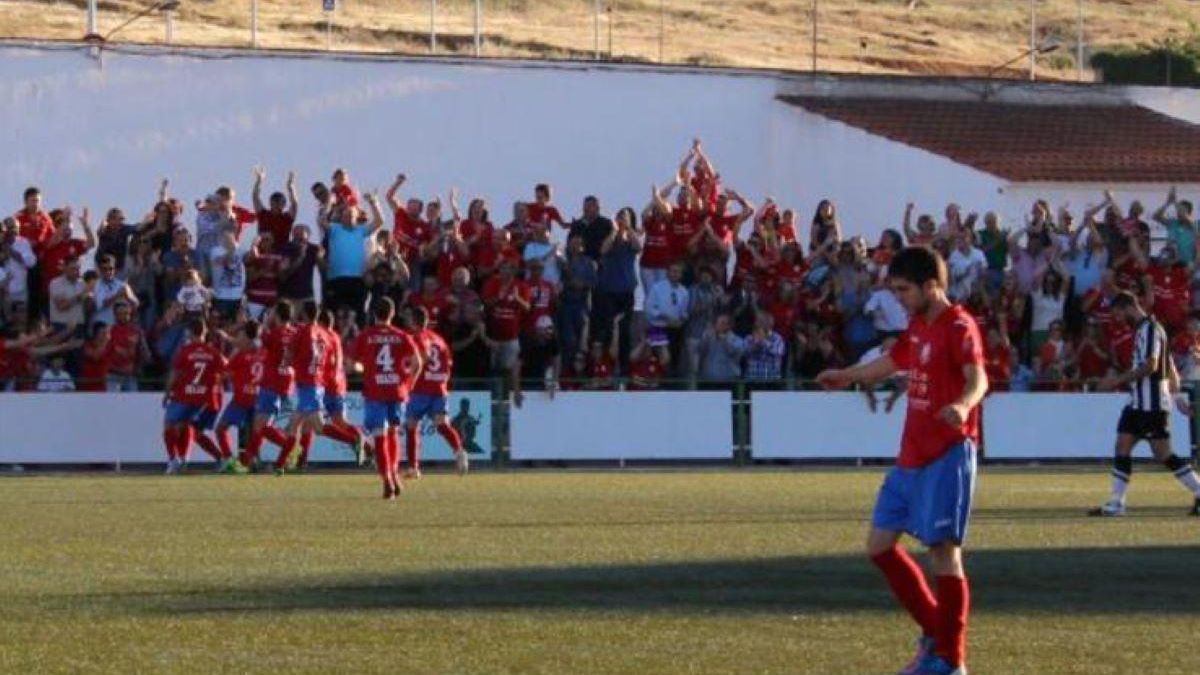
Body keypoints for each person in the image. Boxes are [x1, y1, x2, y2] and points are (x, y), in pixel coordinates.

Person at [817, 247, 987, 675]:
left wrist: (964, 406)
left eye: (904, 289)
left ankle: (951, 659)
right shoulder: (918, 325)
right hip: (910, 456)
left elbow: (978, 377)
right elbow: (893, 363)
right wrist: (847, 376)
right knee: (878, 547)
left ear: (932, 285)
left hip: (947, 454)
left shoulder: (959, 325)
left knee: (944, 554)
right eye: (895, 290)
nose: (899, 298)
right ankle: (937, 633)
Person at [1089, 291, 1200, 517]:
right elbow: (1170, 366)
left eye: (1118, 314)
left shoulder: (1149, 329)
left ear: (1128, 306)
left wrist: (1116, 381)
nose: (1118, 320)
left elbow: (1151, 365)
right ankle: (1116, 503)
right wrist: (1178, 398)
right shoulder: (1146, 329)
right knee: (1122, 445)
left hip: (1152, 404)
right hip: (1138, 403)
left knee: (1163, 454)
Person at [351, 298, 423, 500]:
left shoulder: (366, 336)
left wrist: (364, 369)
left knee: (379, 436)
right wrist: (409, 384)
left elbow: (352, 364)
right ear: (392, 314)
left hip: (375, 391)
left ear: (374, 314)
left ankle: (388, 480)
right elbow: (417, 363)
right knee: (393, 434)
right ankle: (394, 474)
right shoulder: (402, 336)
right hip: (397, 391)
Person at [234, 302, 300, 472]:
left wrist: (263, 323)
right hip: (287, 381)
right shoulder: (295, 333)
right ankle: (249, 461)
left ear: (276, 315)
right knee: (262, 425)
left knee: (260, 426)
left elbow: (257, 337)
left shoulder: (274, 334)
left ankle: (288, 447)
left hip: (272, 382)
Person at [404, 306, 469, 477]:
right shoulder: (439, 340)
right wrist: (442, 382)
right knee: (442, 425)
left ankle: (413, 468)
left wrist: (408, 380)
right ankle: (459, 451)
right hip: (439, 388)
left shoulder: (416, 337)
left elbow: (422, 359)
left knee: (411, 426)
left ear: (413, 321)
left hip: (420, 389)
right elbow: (448, 365)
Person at [161, 319, 225, 475]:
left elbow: (174, 373)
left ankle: (174, 460)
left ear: (189, 332)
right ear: (204, 333)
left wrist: (167, 392)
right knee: (192, 430)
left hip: (185, 395)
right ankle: (192, 459)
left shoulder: (185, 351)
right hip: (204, 397)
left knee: (169, 425)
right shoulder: (213, 352)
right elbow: (225, 371)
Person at [274, 301, 330, 475]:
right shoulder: (323, 333)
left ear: (305, 314)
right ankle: (281, 465)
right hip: (316, 382)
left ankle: (356, 441)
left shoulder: (302, 332)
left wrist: (287, 363)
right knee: (295, 426)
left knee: (318, 426)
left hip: (308, 383)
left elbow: (289, 355)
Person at [215, 321, 265, 472]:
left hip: (241, 400)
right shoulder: (265, 352)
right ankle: (252, 460)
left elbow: (224, 375)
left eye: (241, 334)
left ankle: (230, 460)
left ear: (246, 336)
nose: (239, 337)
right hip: (259, 399)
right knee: (256, 432)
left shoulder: (241, 356)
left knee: (221, 429)